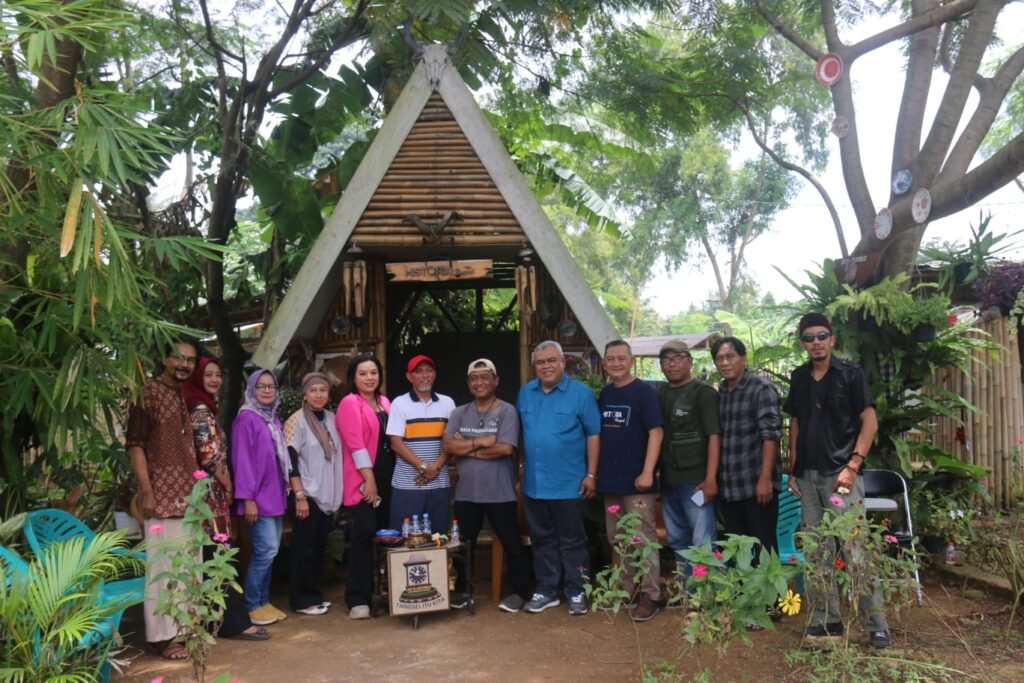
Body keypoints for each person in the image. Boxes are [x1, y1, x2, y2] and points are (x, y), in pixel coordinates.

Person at [784, 313, 891, 649]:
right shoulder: (799, 377)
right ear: (802, 343)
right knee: (817, 551)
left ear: (831, 339)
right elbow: (797, 422)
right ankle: (825, 619)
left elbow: (869, 420)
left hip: (841, 476)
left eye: (821, 336)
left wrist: (854, 464)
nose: (816, 342)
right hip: (809, 476)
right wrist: (793, 466)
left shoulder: (851, 374)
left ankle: (876, 624)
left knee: (856, 549)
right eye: (809, 338)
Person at [182, 356, 268, 641]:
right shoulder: (200, 409)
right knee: (220, 554)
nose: (215, 380)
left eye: (218, 374)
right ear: (197, 377)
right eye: (208, 375)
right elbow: (209, 454)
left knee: (213, 556)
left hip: (208, 494)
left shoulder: (202, 404)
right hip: (210, 494)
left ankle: (215, 621)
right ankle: (234, 623)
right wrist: (229, 484)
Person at [126, 338, 201, 660]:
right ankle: (161, 638)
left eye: (190, 360)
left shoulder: (178, 394)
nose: (184, 364)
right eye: (177, 357)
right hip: (162, 497)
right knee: (163, 570)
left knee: (188, 568)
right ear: (163, 359)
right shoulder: (148, 394)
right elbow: (136, 445)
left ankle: (185, 630)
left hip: (188, 497)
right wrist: (147, 491)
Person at [517, 340, 601, 616]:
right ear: (534, 366)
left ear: (563, 362)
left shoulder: (581, 394)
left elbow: (593, 434)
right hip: (535, 483)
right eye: (540, 362)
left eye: (551, 361)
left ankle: (577, 591)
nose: (546, 366)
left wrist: (591, 473)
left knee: (573, 540)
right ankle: (547, 590)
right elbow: (521, 433)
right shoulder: (526, 393)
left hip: (570, 483)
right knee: (542, 539)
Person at [443, 358, 529, 613]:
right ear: (469, 384)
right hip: (467, 492)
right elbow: (448, 446)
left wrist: (466, 446)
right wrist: (482, 442)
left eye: (485, 377)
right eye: (474, 378)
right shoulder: (459, 412)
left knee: (512, 543)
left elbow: (505, 448)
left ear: (495, 381)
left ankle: (519, 592)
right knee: (463, 544)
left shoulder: (507, 411)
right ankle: (462, 591)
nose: (479, 382)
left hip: (499, 492)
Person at [597, 340, 664, 622]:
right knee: (618, 538)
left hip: (638, 482)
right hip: (611, 482)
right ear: (604, 363)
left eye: (621, 358)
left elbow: (656, 432)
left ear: (631, 361)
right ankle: (626, 589)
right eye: (610, 359)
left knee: (643, 538)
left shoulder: (644, 392)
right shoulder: (605, 393)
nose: (615, 363)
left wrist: (647, 471)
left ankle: (652, 595)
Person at [653, 340, 721, 580]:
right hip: (669, 481)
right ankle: (687, 593)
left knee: (702, 541)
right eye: (665, 360)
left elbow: (714, 436)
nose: (671, 365)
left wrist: (711, 479)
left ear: (690, 361)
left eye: (677, 358)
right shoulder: (659, 393)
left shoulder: (703, 394)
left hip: (696, 482)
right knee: (677, 539)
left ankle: (705, 597)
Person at [712, 336, 782, 556]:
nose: (725, 363)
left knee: (763, 550)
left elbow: (770, 435)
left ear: (743, 359)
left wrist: (765, 479)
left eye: (730, 356)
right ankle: (741, 592)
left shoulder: (761, 388)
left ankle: (770, 592)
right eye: (719, 358)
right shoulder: (721, 393)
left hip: (756, 486)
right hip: (730, 488)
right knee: (738, 552)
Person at [231, 370, 289, 627]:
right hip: (257, 498)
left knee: (271, 550)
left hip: (274, 495)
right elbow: (241, 460)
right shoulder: (247, 419)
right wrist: (247, 499)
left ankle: (263, 602)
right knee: (265, 550)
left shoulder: (272, 419)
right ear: (251, 389)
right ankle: (252, 604)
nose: (267, 391)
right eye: (261, 386)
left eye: (271, 386)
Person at [283, 372, 343, 616]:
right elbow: (290, 460)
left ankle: (312, 594)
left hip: (325, 494)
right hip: (305, 494)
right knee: (303, 547)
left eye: (323, 390)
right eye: (313, 390)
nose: (319, 395)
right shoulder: (296, 421)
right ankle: (300, 599)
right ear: (304, 394)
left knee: (318, 547)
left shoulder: (332, 418)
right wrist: (299, 495)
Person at [337, 354, 392, 620]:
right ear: (353, 377)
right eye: (363, 373)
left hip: (389, 475)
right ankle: (358, 597)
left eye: (373, 372)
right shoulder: (350, 403)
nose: (369, 378)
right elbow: (355, 444)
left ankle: (385, 592)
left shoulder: (384, 402)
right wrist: (369, 479)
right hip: (362, 478)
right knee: (364, 533)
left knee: (387, 533)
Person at [386, 354, 456, 534]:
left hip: (439, 484)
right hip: (408, 485)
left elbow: (453, 442)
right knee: (405, 539)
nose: (425, 375)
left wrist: (435, 468)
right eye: (418, 371)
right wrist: (424, 467)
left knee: (438, 538)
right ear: (409, 377)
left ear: (434, 374)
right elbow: (395, 443)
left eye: (429, 370)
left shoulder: (448, 403)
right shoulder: (400, 403)